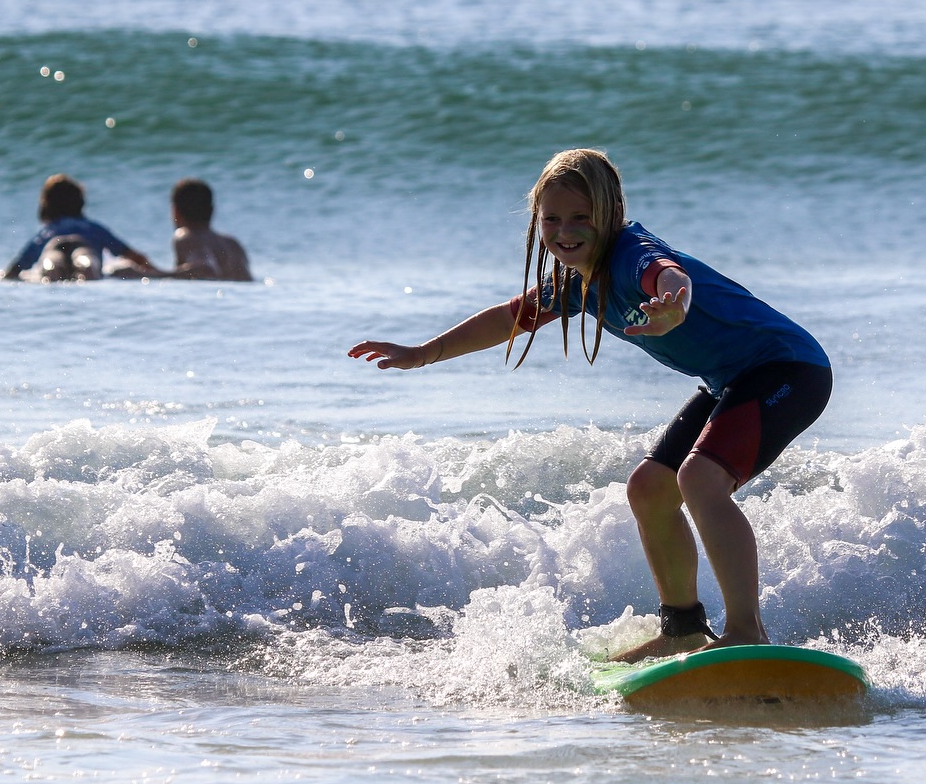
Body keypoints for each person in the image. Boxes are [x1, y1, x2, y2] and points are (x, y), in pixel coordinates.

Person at [348, 149, 832, 662]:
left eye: (582, 217)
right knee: (649, 490)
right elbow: (509, 317)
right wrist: (424, 353)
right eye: (552, 219)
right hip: (729, 380)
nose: (565, 230)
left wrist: (674, 309)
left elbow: (669, 277)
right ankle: (684, 630)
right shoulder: (577, 284)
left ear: (611, 214)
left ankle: (746, 633)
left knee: (700, 481)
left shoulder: (631, 254)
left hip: (788, 370)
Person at [0, 174, 156, 282]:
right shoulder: (93, 227)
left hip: (54, 245)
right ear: (80, 203)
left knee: (51, 267)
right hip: (84, 245)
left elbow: (19, 265)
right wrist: (156, 271)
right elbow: (132, 255)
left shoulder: (48, 231)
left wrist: (5, 277)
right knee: (87, 267)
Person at [159, 178, 253, 281]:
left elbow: (206, 270)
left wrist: (148, 274)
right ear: (212, 210)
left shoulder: (186, 236)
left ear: (175, 212)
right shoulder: (233, 244)